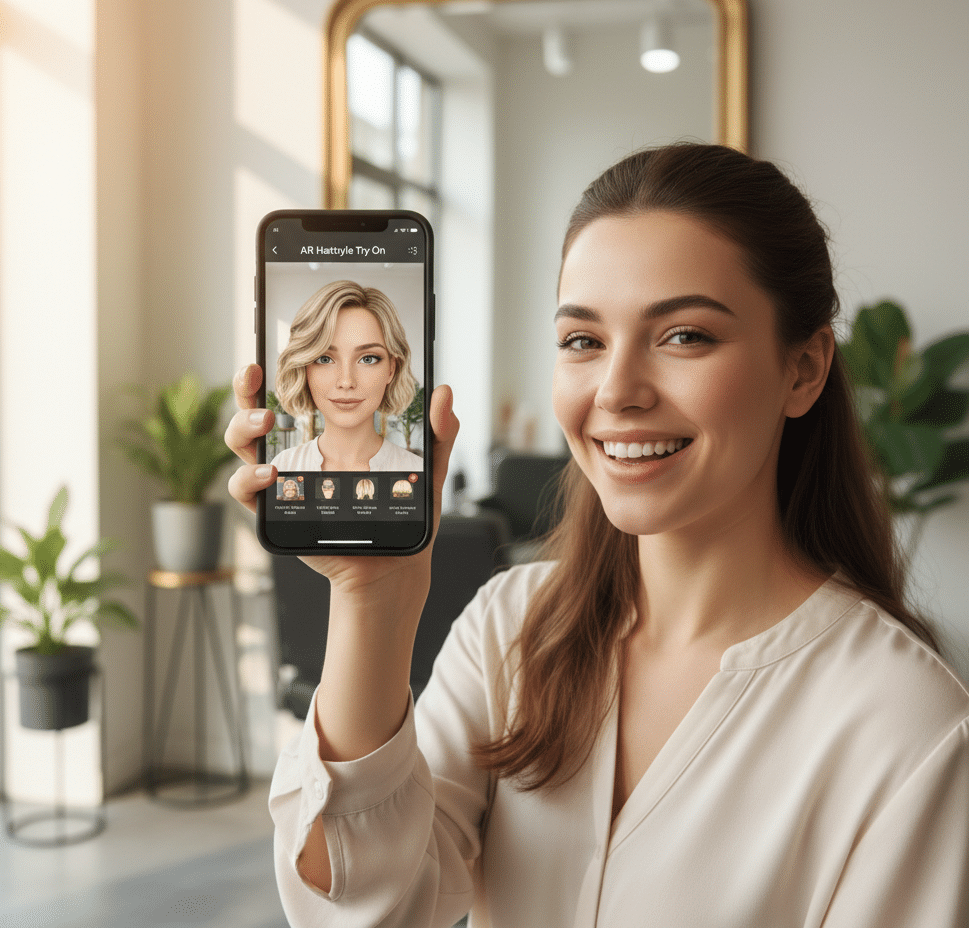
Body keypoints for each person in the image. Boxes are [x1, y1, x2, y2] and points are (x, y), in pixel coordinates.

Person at [226, 144, 969, 927]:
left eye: (684, 336)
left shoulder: (906, 726)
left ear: (804, 369)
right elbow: (364, 907)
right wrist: (370, 593)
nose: (616, 391)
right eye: (584, 341)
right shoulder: (509, 629)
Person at [270, 280, 423, 472]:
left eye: (368, 359)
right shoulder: (282, 468)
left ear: (391, 369)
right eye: (324, 359)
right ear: (304, 368)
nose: (346, 382)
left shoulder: (417, 471)